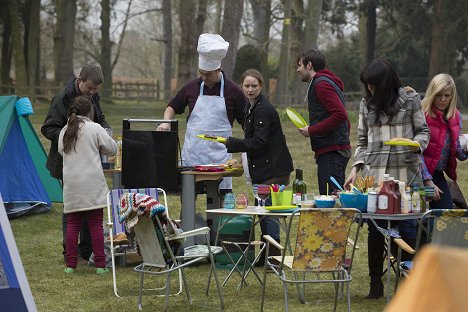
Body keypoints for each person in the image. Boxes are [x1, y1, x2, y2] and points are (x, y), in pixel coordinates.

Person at [344, 59, 430, 299]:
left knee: (408, 231)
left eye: (373, 85)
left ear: (385, 83)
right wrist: (356, 168)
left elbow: (424, 132)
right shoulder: (365, 104)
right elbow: (362, 141)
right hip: (376, 178)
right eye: (367, 86)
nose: (369, 90)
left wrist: (416, 145)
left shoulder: (412, 101)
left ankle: (410, 284)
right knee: (374, 231)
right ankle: (375, 283)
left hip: (406, 177)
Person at [157, 33, 247, 195]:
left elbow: (247, 122)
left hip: (220, 158)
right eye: (201, 73)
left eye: (208, 74)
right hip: (193, 155)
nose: (204, 77)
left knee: (219, 198)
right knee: (188, 196)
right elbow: (171, 107)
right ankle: (187, 221)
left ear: (218, 69)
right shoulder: (191, 87)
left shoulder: (233, 91)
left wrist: (249, 146)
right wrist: (166, 122)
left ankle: (217, 221)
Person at [222, 69, 294, 260]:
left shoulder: (262, 108)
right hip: (263, 169)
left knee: (269, 213)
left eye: (254, 86)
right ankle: (264, 255)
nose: (250, 89)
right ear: (242, 86)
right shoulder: (250, 107)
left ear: (261, 86)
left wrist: (233, 143)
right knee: (262, 212)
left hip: (274, 169)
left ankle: (273, 257)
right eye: (247, 86)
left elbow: (259, 142)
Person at [41, 65, 110, 261]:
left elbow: (101, 119)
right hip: (67, 163)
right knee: (72, 209)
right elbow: (47, 128)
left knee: (91, 206)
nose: (92, 92)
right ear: (80, 80)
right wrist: (72, 137)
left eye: (96, 89)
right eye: (89, 88)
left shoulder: (93, 97)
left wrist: (105, 130)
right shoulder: (62, 98)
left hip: (89, 162)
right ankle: (68, 251)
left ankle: (86, 250)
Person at [58, 96, 117, 274]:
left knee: (73, 225)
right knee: (95, 224)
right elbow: (112, 149)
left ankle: (70, 265)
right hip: (92, 183)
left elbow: (61, 151)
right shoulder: (94, 128)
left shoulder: (65, 130)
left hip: (72, 183)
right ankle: (100, 265)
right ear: (89, 112)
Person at [296, 49, 351, 195]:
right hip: (332, 149)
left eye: (299, 65)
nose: (297, 69)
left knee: (330, 202)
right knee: (331, 198)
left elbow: (340, 114)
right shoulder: (322, 83)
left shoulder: (321, 85)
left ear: (309, 65)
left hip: (332, 152)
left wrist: (312, 130)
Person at [420, 73, 468, 209]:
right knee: (417, 212)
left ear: (452, 96)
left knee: (445, 212)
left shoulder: (456, 116)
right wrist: (427, 181)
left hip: (437, 173)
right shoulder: (422, 114)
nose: (442, 99)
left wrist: (466, 149)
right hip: (418, 174)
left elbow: (458, 151)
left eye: (447, 96)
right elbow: (415, 152)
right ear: (432, 94)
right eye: (438, 95)